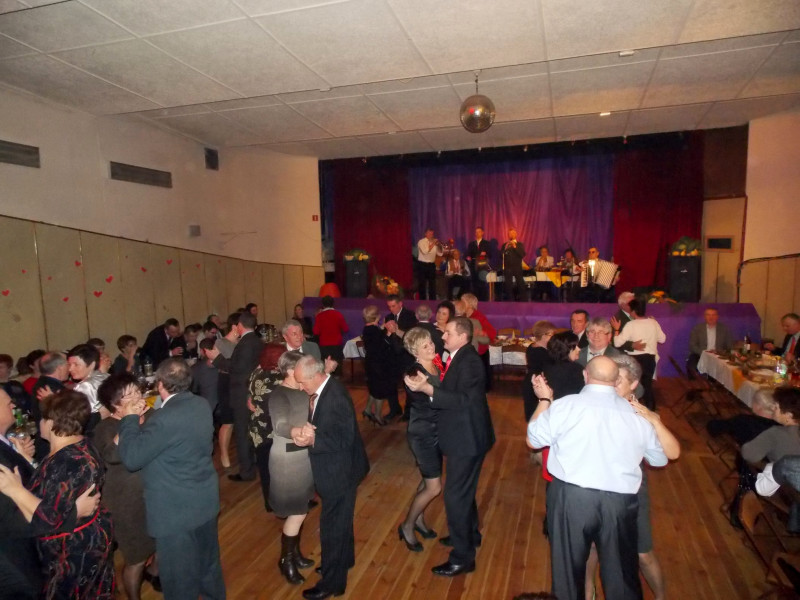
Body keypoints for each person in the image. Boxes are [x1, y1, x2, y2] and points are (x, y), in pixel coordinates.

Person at [527, 356, 668, 600]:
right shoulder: (637, 415)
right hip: (620, 503)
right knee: (621, 576)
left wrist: (544, 400)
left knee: (568, 573)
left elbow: (533, 440)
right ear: (616, 381)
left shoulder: (565, 406)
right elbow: (658, 459)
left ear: (585, 375)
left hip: (571, 499)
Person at [117, 358, 225, 600]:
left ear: (160, 384)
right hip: (204, 501)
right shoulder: (201, 404)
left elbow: (132, 458)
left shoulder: (163, 419)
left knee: (179, 580)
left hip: (175, 512)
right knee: (208, 567)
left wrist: (129, 419)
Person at [0, 389, 115, 599]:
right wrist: (28, 460)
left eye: (42, 418)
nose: (39, 423)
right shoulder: (74, 446)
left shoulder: (68, 461)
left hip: (73, 550)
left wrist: (16, 490)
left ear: (52, 423)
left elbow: (49, 517)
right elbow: (50, 486)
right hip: (82, 541)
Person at [584, 354, 680, 600]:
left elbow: (673, 453)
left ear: (634, 385)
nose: (612, 384)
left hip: (631, 493)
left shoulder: (639, 413)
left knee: (642, 553)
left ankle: (660, 597)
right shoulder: (595, 403)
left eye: (619, 381)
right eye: (612, 378)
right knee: (592, 548)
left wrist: (655, 421)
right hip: (594, 487)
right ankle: (589, 593)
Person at [404, 317, 495, 577]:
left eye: (448, 333)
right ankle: (469, 535)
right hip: (465, 435)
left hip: (466, 439)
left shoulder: (469, 361)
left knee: (455, 497)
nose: (442, 337)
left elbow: (464, 400)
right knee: (464, 492)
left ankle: (462, 558)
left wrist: (428, 389)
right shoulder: (458, 357)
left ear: (463, 336)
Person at [292, 355, 369, 600]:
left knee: (332, 527)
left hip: (339, 472)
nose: (300, 387)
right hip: (342, 469)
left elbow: (344, 439)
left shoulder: (335, 397)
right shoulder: (326, 388)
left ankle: (333, 583)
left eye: (302, 382)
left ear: (316, 376)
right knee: (341, 521)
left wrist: (313, 439)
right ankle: (343, 561)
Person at [94, 373, 160, 599]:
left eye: (138, 392)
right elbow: (112, 455)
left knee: (162, 540)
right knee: (136, 558)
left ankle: (154, 572)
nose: (137, 398)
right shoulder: (105, 427)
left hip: (156, 491)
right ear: (115, 405)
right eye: (129, 395)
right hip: (126, 501)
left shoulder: (150, 414)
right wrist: (130, 420)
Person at [267, 351, 317, 584]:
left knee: (302, 507)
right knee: (297, 512)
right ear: (290, 371)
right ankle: (285, 560)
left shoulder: (303, 390)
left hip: (303, 457)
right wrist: (298, 432)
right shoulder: (279, 394)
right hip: (287, 461)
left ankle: (295, 554)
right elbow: (280, 425)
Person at [398, 328, 443, 552]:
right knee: (434, 488)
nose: (431, 346)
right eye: (425, 346)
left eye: (430, 342)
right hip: (423, 433)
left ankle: (418, 519)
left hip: (438, 430)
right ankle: (407, 525)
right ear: (415, 352)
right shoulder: (414, 373)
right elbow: (429, 400)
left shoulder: (436, 364)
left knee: (428, 478)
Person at [207, 311, 265, 482]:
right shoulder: (257, 341)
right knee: (253, 430)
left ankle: (246, 471)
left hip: (242, 393)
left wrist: (216, 358)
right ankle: (254, 464)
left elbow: (236, 368)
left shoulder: (246, 343)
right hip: (253, 390)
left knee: (242, 433)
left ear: (239, 325)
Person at [614, 298, 666, 410]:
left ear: (633, 311)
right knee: (647, 385)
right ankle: (651, 410)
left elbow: (617, 343)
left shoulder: (631, 325)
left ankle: (631, 408)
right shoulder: (653, 323)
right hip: (650, 359)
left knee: (632, 385)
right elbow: (662, 339)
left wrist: (616, 330)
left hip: (635, 359)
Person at [742, 387, 800, 464]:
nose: (772, 408)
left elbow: (749, 454)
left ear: (789, 416)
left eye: (776, 407)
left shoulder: (777, 433)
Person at [361, 305, 398, 426]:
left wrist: (382, 329)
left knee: (373, 388)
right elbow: (381, 347)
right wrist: (389, 333)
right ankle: (377, 415)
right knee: (380, 391)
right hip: (378, 365)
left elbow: (375, 340)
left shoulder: (367, 329)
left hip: (371, 363)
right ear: (377, 317)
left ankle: (367, 410)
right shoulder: (375, 331)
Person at [214, 312, 240, 470]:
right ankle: (224, 454)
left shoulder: (242, 342)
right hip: (227, 382)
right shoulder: (221, 342)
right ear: (235, 327)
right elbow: (216, 363)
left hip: (240, 382)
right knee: (228, 421)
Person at [384, 295, 418, 420]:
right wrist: (388, 332)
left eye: (393, 306)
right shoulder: (388, 317)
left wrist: (396, 330)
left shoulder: (410, 316)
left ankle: (408, 413)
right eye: (389, 306)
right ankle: (394, 409)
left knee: (408, 386)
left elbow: (412, 336)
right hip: (392, 357)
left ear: (400, 304)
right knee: (390, 384)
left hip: (406, 356)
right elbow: (386, 339)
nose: (391, 309)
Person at [707, 388, 777, 445]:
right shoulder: (779, 425)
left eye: (754, 401)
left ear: (759, 406)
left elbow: (714, 427)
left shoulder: (744, 421)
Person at [67, 343, 109, 433]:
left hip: (97, 432)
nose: (70, 369)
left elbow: (82, 420)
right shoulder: (105, 376)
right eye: (69, 364)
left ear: (92, 364)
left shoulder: (85, 386)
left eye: (76, 365)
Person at [522, 321, 556, 422]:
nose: (553, 337)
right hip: (537, 384)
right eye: (551, 335)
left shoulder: (532, 346)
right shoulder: (542, 352)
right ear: (544, 336)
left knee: (534, 413)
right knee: (538, 413)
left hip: (531, 381)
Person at [461, 293, 497, 390]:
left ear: (469, 304)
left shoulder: (479, 316)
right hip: (469, 350)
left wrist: (482, 332)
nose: (460, 304)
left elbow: (492, 332)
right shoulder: (463, 316)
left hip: (480, 351)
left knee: (481, 376)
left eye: (462, 302)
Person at [687, 308, 734, 376]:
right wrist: (705, 353)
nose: (711, 317)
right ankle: (697, 381)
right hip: (700, 354)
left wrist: (719, 352)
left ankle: (714, 381)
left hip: (718, 356)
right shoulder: (697, 328)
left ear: (717, 317)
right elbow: (692, 346)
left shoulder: (724, 329)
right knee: (691, 366)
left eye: (713, 315)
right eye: (708, 315)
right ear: (704, 317)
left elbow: (729, 346)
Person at [313, 295, 349, 369]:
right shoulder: (338, 314)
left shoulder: (319, 316)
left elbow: (316, 332)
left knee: (326, 368)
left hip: (324, 346)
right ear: (333, 304)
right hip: (337, 345)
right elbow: (346, 329)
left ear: (323, 305)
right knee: (337, 367)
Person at [192, 339, 220, 413]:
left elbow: (194, 389)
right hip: (223, 404)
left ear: (201, 351)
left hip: (207, 406)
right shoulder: (223, 363)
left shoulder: (197, 368)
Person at [466, 226, 492, 301]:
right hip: (474, 265)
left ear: (482, 233)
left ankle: (483, 300)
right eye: (476, 232)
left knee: (482, 282)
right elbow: (468, 253)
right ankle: (475, 299)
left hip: (483, 265)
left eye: (479, 232)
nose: (477, 233)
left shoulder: (486, 243)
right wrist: (468, 257)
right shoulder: (471, 244)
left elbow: (490, 255)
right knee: (474, 283)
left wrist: (486, 253)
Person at [417, 228, 443, 300]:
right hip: (422, 264)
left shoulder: (434, 243)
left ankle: (432, 301)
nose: (431, 235)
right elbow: (425, 252)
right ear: (425, 234)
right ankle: (422, 300)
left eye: (432, 234)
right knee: (422, 284)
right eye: (429, 233)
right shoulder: (421, 242)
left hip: (431, 265)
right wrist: (433, 244)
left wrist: (439, 246)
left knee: (432, 284)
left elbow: (440, 254)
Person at [501, 227, 527, 301]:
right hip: (507, 268)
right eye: (510, 233)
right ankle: (510, 301)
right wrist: (505, 249)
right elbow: (501, 256)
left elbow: (522, 255)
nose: (511, 234)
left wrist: (515, 247)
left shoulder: (519, 244)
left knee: (520, 284)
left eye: (513, 233)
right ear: (508, 235)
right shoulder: (505, 245)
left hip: (517, 267)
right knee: (508, 285)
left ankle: (524, 300)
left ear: (516, 234)